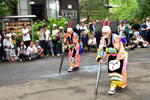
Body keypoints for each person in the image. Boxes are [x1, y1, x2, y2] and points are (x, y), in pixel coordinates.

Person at [96, 26, 128, 95]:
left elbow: (116, 50)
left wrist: (105, 49)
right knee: (111, 69)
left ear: (110, 32)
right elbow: (100, 48)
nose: (104, 35)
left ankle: (113, 85)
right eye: (103, 33)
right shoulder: (103, 39)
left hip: (119, 55)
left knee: (117, 70)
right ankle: (115, 82)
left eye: (106, 33)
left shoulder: (116, 38)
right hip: (110, 55)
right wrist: (99, 58)